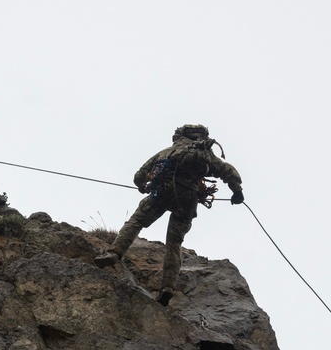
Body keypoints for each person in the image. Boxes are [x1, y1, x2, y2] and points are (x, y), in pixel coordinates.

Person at [95, 124, 244, 306]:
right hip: (187, 200)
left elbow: (139, 175)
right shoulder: (205, 156)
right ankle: (167, 287)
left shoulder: (168, 152)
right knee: (174, 242)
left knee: (137, 221)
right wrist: (237, 191)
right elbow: (227, 170)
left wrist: (142, 185)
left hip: (162, 193)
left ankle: (114, 253)